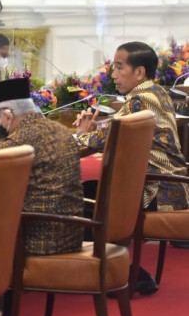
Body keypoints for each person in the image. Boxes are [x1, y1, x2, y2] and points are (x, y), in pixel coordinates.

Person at [75, 41, 189, 294]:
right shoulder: (157, 93)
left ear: (139, 72)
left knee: (85, 200)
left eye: (118, 67)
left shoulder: (139, 101)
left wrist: (80, 134)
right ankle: (122, 272)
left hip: (159, 191)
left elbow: (105, 141)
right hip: (172, 186)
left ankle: (119, 275)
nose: (113, 75)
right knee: (94, 191)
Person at [0, 77, 84, 256]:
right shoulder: (59, 130)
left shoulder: (21, 139)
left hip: (36, 241)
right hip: (70, 236)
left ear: (8, 115)